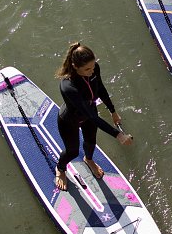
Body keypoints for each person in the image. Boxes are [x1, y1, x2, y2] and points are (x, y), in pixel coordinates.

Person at [54, 43, 132, 191]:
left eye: (93, 66)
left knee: (91, 142)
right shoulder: (68, 86)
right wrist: (118, 135)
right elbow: (90, 115)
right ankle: (60, 168)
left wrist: (112, 111)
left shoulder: (94, 69)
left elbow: (101, 88)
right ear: (75, 66)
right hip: (70, 120)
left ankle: (88, 159)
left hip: (90, 114)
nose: (92, 71)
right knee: (72, 151)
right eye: (87, 69)